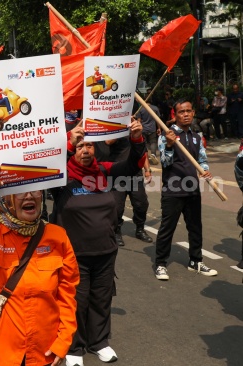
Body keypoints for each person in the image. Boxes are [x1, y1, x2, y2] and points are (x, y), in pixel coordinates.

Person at [0, 168, 79, 366]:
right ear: (5, 199)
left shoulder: (58, 236)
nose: (29, 195)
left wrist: (63, 342)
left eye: (36, 190)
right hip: (1, 354)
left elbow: (67, 295)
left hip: (43, 353)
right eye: (20, 191)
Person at [50, 119, 146, 366]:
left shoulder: (104, 170)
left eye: (89, 147)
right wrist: (67, 144)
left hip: (105, 252)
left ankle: (99, 342)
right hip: (73, 255)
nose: (85, 151)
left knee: (102, 299)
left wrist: (136, 139)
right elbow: (50, 164)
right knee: (76, 302)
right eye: (80, 146)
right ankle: (74, 347)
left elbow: (133, 164)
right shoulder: (61, 176)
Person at [154, 99, 217, 280]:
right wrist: (169, 145)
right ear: (175, 115)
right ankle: (160, 264)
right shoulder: (167, 135)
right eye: (182, 112)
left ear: (193, 113)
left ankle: (195, 261)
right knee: (167, 228)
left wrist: (205, 171)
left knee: (195, 227)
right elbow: (165, 162)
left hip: (192, 190)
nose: (186, 114)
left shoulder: (197, 137)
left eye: (189, 111)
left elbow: (202, 160)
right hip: (173, 191)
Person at [136, 101, 161, 165]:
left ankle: (146, 156)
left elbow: (138, 120)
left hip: (143, 129)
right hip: (152, 129)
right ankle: (153, 154)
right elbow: (157, 119)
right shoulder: (155, 108)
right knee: (153, 142)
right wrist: (159, 128)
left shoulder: (141, 109)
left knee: (145, 143)